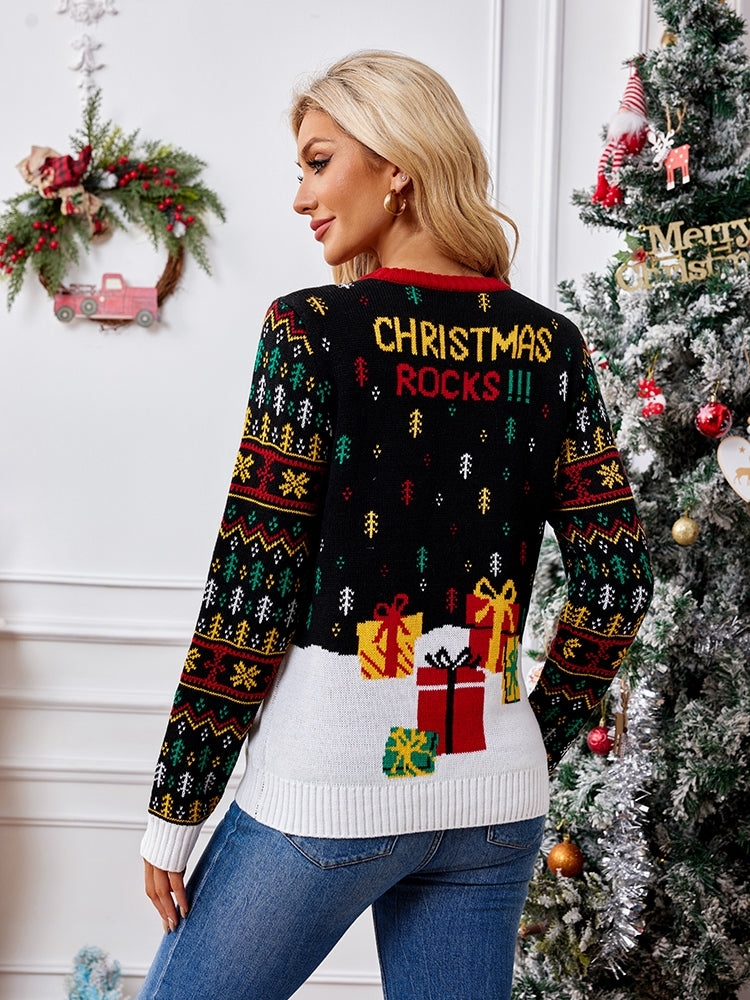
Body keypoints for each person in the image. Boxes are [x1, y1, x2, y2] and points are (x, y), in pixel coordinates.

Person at [137, 50, 652, 1000]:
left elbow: (252, 591)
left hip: (336, 787)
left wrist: (178, 809)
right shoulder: (551, 345)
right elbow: (619, 584)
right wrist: (530, 732)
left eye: (318, 161)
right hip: (493, 796)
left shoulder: (312, 332)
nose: (301, 197)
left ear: (399, 167)